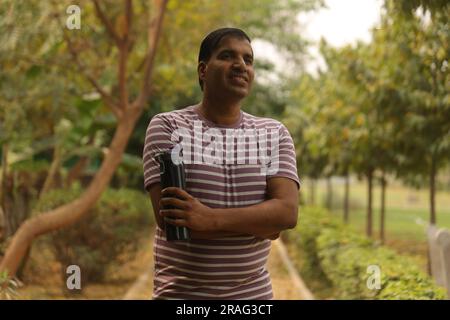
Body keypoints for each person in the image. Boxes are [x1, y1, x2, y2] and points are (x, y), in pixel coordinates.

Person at [142, 27, 300, 300]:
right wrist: (260, 223)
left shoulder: (273, 133)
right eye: (227, 56)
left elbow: (286, 214)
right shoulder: (168, 126)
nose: (240, 65)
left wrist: (210, 219)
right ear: (203, 70)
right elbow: (174, 222)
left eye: (248, 60)